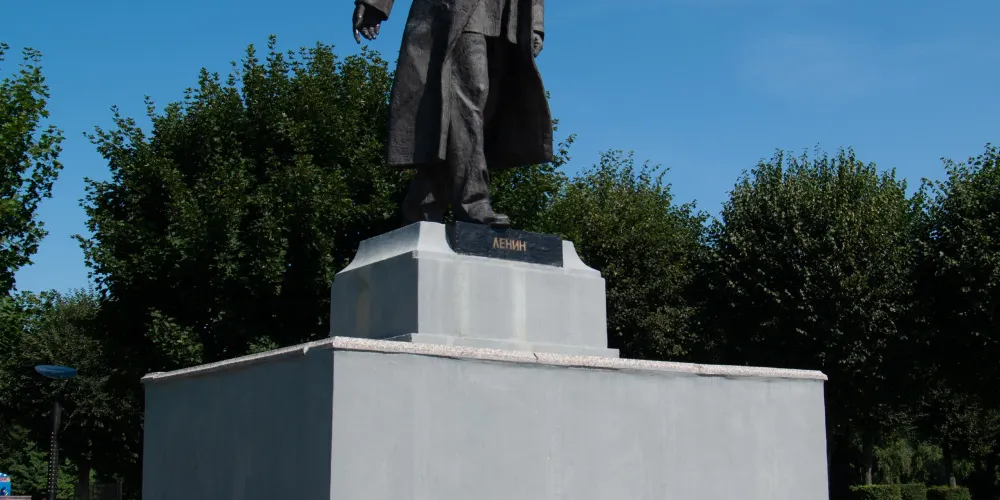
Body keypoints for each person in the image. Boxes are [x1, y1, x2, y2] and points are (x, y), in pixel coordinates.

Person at [352, 0, 553, 227]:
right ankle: (473, 201)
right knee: (472, 94)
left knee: (480, 109)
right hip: (463, 10)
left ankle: (424, 202)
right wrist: (375, 4)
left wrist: (535, 23)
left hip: (508, 14)